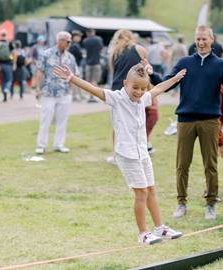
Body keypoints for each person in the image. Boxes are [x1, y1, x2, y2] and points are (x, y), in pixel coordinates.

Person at [53, 62, 186, 245]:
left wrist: (176, 78)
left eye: (142, 88)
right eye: (135, 88)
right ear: (125, 83)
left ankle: (160, 228)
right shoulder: (116, 98)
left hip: (142, 152)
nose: (139, 92)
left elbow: (159, 88)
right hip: (127, 154)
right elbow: (94, 89)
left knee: (151, 190)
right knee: (140, 193)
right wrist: (72, 78)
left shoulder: (143, 98)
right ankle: (143, 234)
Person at [166, 25, 223, 220]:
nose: (201, 42)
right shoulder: (184, 62)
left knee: (211, 164)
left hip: (209, 121)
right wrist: (150, 74)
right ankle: (181, 203)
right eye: (198, 39)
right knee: (182, 164)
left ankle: (210, 204)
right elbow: (168, 83)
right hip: (186, 120)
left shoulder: (221, 65)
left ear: (212, 40)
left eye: (204, 39)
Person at [108, 29, 149, 163]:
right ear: (131, 37)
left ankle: (116, 155)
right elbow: (145, 71)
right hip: (136, 89)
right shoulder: (140, 49)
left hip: (118, 90)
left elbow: (113, 72)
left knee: (118, 125)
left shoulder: (113, 52)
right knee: (137, 122)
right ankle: (139, 151)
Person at [35, 31, 78, 155]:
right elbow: (40, 71)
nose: (69, 44)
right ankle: (41, 145)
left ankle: (59, 144)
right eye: (67, 41)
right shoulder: (46, 54)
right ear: (60, 40)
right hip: (48, 92)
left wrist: (70, 91)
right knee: (45, 119)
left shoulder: (70, 57)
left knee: (62, 120)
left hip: (64, 93)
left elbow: (73, 75)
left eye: (70, 42)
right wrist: (37, 88)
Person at [0, 30, 15, 102]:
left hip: (0, 64)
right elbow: (14, 54)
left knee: (2, 81)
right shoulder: (10, 43)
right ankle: (7, 89)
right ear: (6, 35)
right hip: (8, 64)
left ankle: (4, 97)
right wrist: (14, 63)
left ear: (0, 35)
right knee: (9, 79)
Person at [82, 29, 103, 103]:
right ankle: (94, 97)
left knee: (89, 82)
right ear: (93, 32)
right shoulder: (98, 39)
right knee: (95, 81)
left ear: (87, 33)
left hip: (88, 63)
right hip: (97, 63)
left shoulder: (85, 41)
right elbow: (101, 49)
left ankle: (90, 97)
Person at [68, 30, 84, 102]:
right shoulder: (75, 45)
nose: (80, 38)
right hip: (75, 65)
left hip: (74, 65)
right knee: (76, 81)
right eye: (78, 36)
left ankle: (78, 95)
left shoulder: (73, 45)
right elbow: (80, 55)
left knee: (76, 81)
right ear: (74, 37)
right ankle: (75, 96)